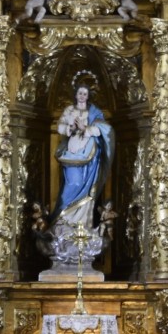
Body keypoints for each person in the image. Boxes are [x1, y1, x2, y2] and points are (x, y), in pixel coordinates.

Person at [50, 84, 114, 229]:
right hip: (72, 153)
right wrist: (70, 128)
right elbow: (60, 127)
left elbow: (103, 130)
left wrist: (85, 128)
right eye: (80, 93)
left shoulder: (94, 112)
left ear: (88, 96)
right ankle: (64, 221)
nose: (82, 96)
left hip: (89, 157)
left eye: (85, 94)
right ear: (76, 94)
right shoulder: (69, 110)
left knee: (85, 188)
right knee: (73, 184)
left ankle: (82, 224)